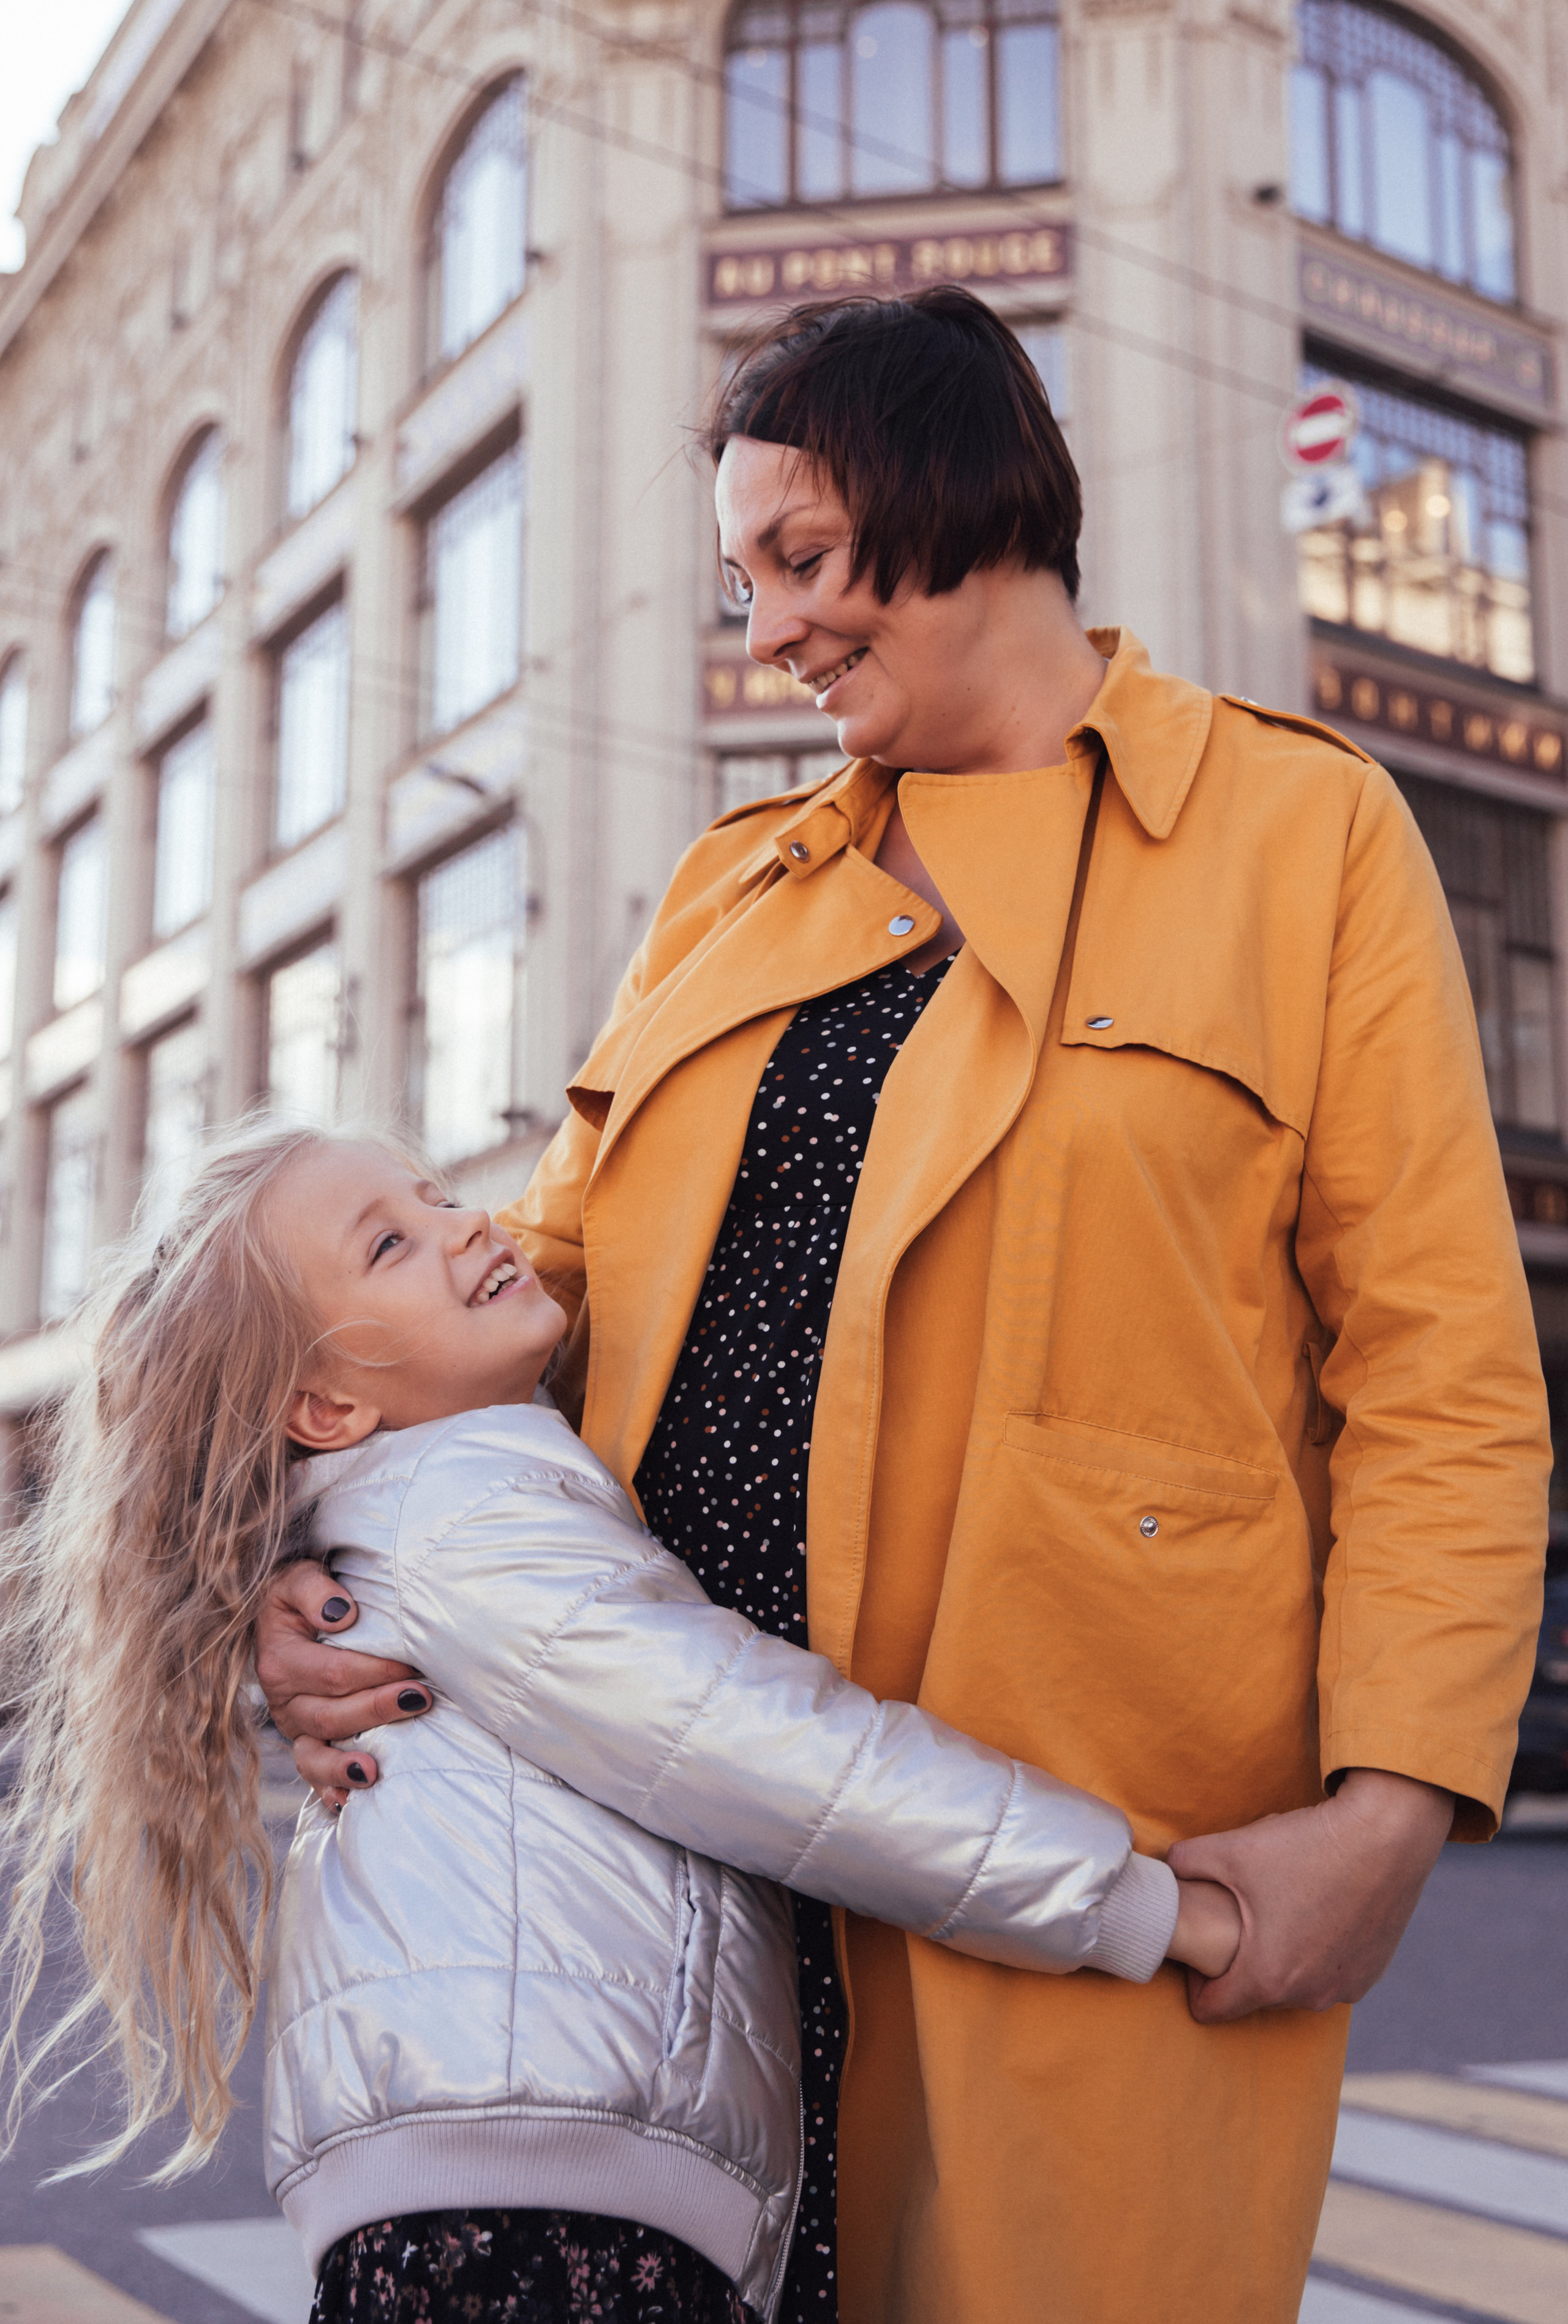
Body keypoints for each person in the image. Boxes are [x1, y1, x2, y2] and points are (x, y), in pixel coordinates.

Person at [260, 287, 1550, 2323]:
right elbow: (536, 1292)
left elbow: (1440, 1374)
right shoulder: (727, 889)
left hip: (1100, 1861)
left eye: (801, 559)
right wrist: (310, 1569)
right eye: (740, 578)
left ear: (958, 496)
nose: (766, 631)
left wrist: (1393, 1811)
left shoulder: (1302, 835)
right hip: (671, 1879)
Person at [0, 1124, 1240, 2324]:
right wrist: (1138, 1902)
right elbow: (778, 1755)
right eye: (388, 1246)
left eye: (434, 1195)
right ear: (323, 1411)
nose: (465, 1224)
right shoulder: (472, 1526)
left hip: (488, 2199)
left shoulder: (430, 1520)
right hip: (533, 2220)